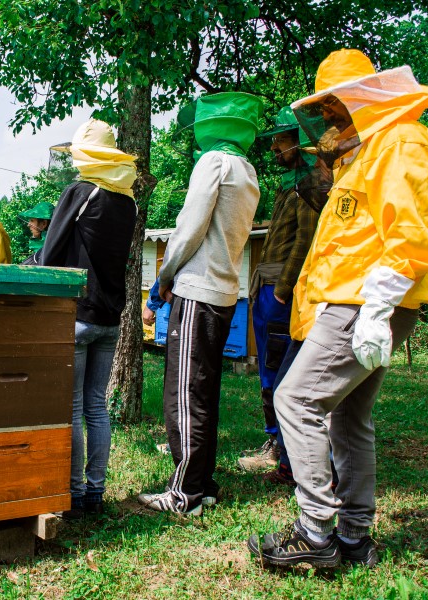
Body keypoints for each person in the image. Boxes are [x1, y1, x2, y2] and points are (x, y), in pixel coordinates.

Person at [247, 49, 428, 569]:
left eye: (336, 111)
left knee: (295, 399)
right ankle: (354, 538)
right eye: (327, 114)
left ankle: (315, 535)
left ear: (364, 98)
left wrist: (378, 309)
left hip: (368, 302)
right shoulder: (368, 152)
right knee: (348, 419)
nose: (330, 123)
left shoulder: (403, 141)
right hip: (357, 303)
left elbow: (409, 233)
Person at [137, 92, 263, 516]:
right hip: (224, 290)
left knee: (184, 393)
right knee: (205, 390)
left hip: (198, 289)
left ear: (208, 128)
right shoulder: (248, 170)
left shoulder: (213, 163)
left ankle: (184, 493)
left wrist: (164, 276)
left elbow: (189, 229)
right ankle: (203, 484)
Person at [40, 118, 138, 519]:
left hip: (77, 314)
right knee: (96, 407)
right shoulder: (127, 201)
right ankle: (96, 493)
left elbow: (49, 255)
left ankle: (74, 495)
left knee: (71, 408)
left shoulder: (80, 192)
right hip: (111, 318)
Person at [238, 107, 320, 473]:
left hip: (279, 293)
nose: (274, 150)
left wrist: (284, 289)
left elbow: (305, 241)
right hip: (268, 287)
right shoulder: (290, 185)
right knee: (270, 370)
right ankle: (277, 443)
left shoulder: (308, 187)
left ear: (300, 144)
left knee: (276, 369)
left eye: (280, 143)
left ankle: (284, 453)